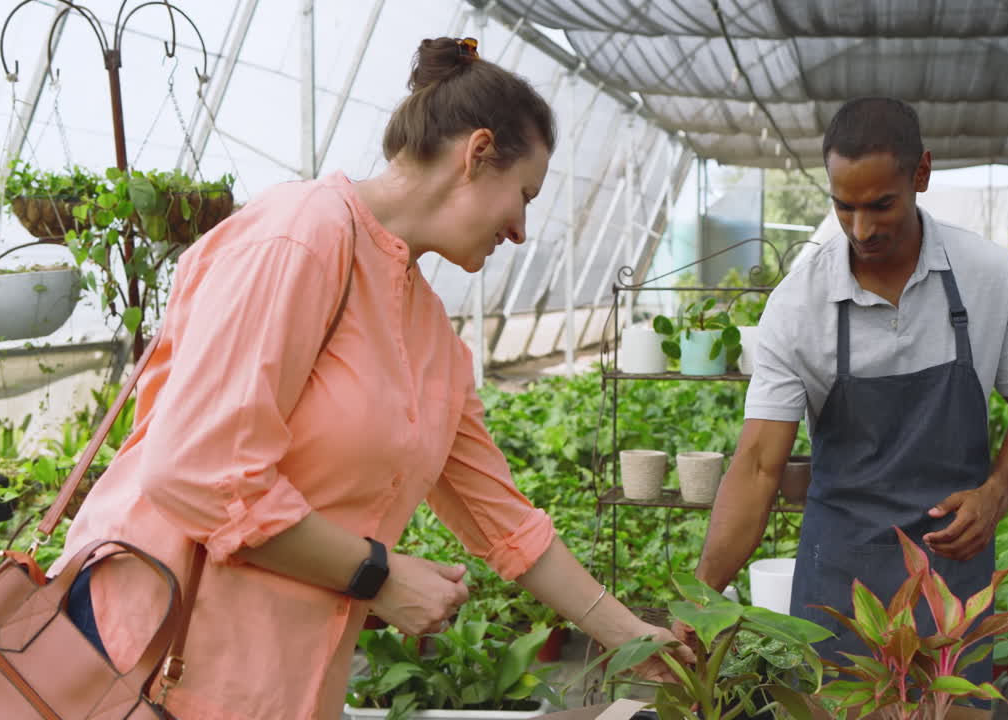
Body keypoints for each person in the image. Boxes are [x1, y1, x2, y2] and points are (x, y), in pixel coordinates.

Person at [53, 37, 690, 720]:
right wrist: (378, 575)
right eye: (523, 196)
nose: (522, 230)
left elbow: (502, 521)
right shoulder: (301, 235)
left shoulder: (431, 335)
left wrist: (630, 637)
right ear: (476, 154)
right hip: (147, 665)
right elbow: (196, 470)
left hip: (283, 685)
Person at [672, 97, 1008, 707]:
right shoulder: (800, 304)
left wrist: (997, 493)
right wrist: (702, 597)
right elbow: (757, 466)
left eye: (881, 204)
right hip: (841, 591)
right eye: (843, 206)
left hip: (950, 584)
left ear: (921, 174)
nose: (861, 229)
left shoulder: (987, 276)